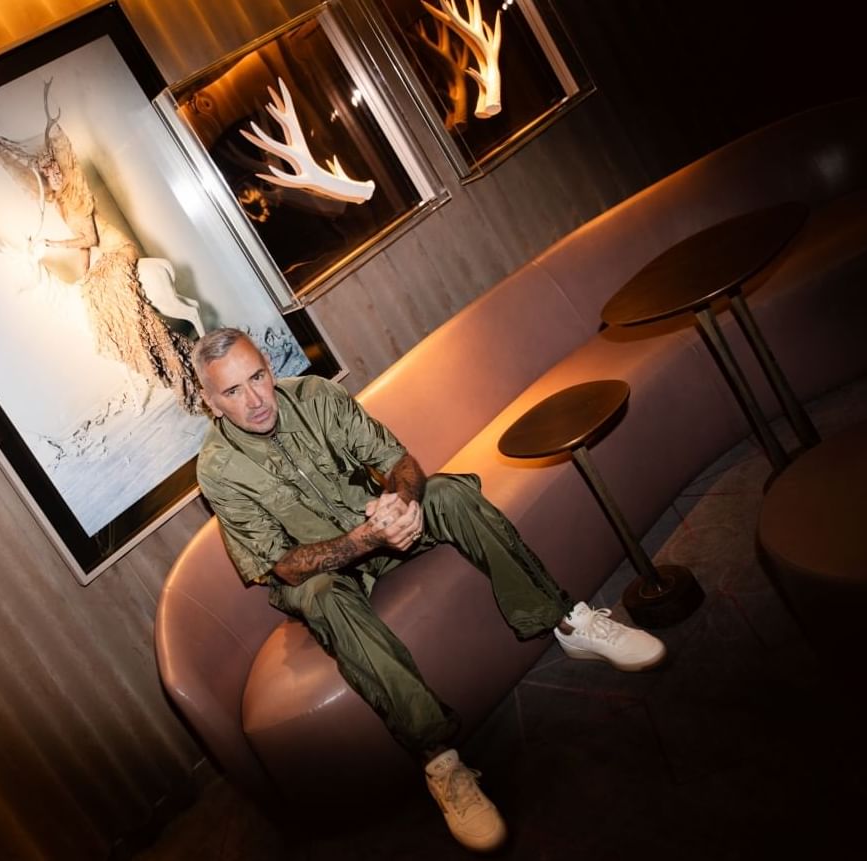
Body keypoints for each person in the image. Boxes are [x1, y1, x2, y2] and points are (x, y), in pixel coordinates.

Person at [191, 328, 666, 852]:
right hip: (323, 569)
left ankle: (567, 620)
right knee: (324, 596)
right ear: (211, 403)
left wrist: (403, 502)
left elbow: (399, 462)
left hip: (381, 525)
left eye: (257, 377)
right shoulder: (217, 469)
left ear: (268, 366)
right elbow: (282, 565)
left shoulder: (317, 395)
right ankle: (440, 760)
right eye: (233, 391)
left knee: (449, 492)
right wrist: (363, 539)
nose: (255, 399)